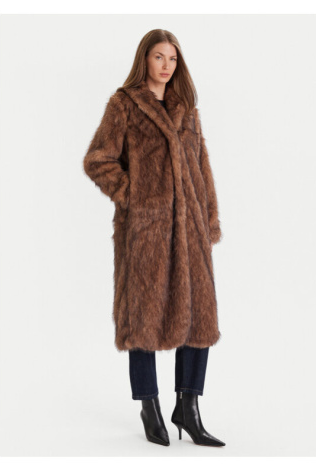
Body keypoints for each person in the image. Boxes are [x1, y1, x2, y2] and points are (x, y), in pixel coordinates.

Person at [83, 29, 225, 447]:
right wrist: (135, 197)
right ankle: (149, 407)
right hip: (146, 231)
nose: (166, 65)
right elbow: (98, 160)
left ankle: (188, 408)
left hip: (191, 229)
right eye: (159, 56)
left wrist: (209, 219)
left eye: (173, 59)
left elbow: (202, 167)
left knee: (200, 319)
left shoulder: (187, 108)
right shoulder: (124, 105)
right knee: (142, 318)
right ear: (144, 58)